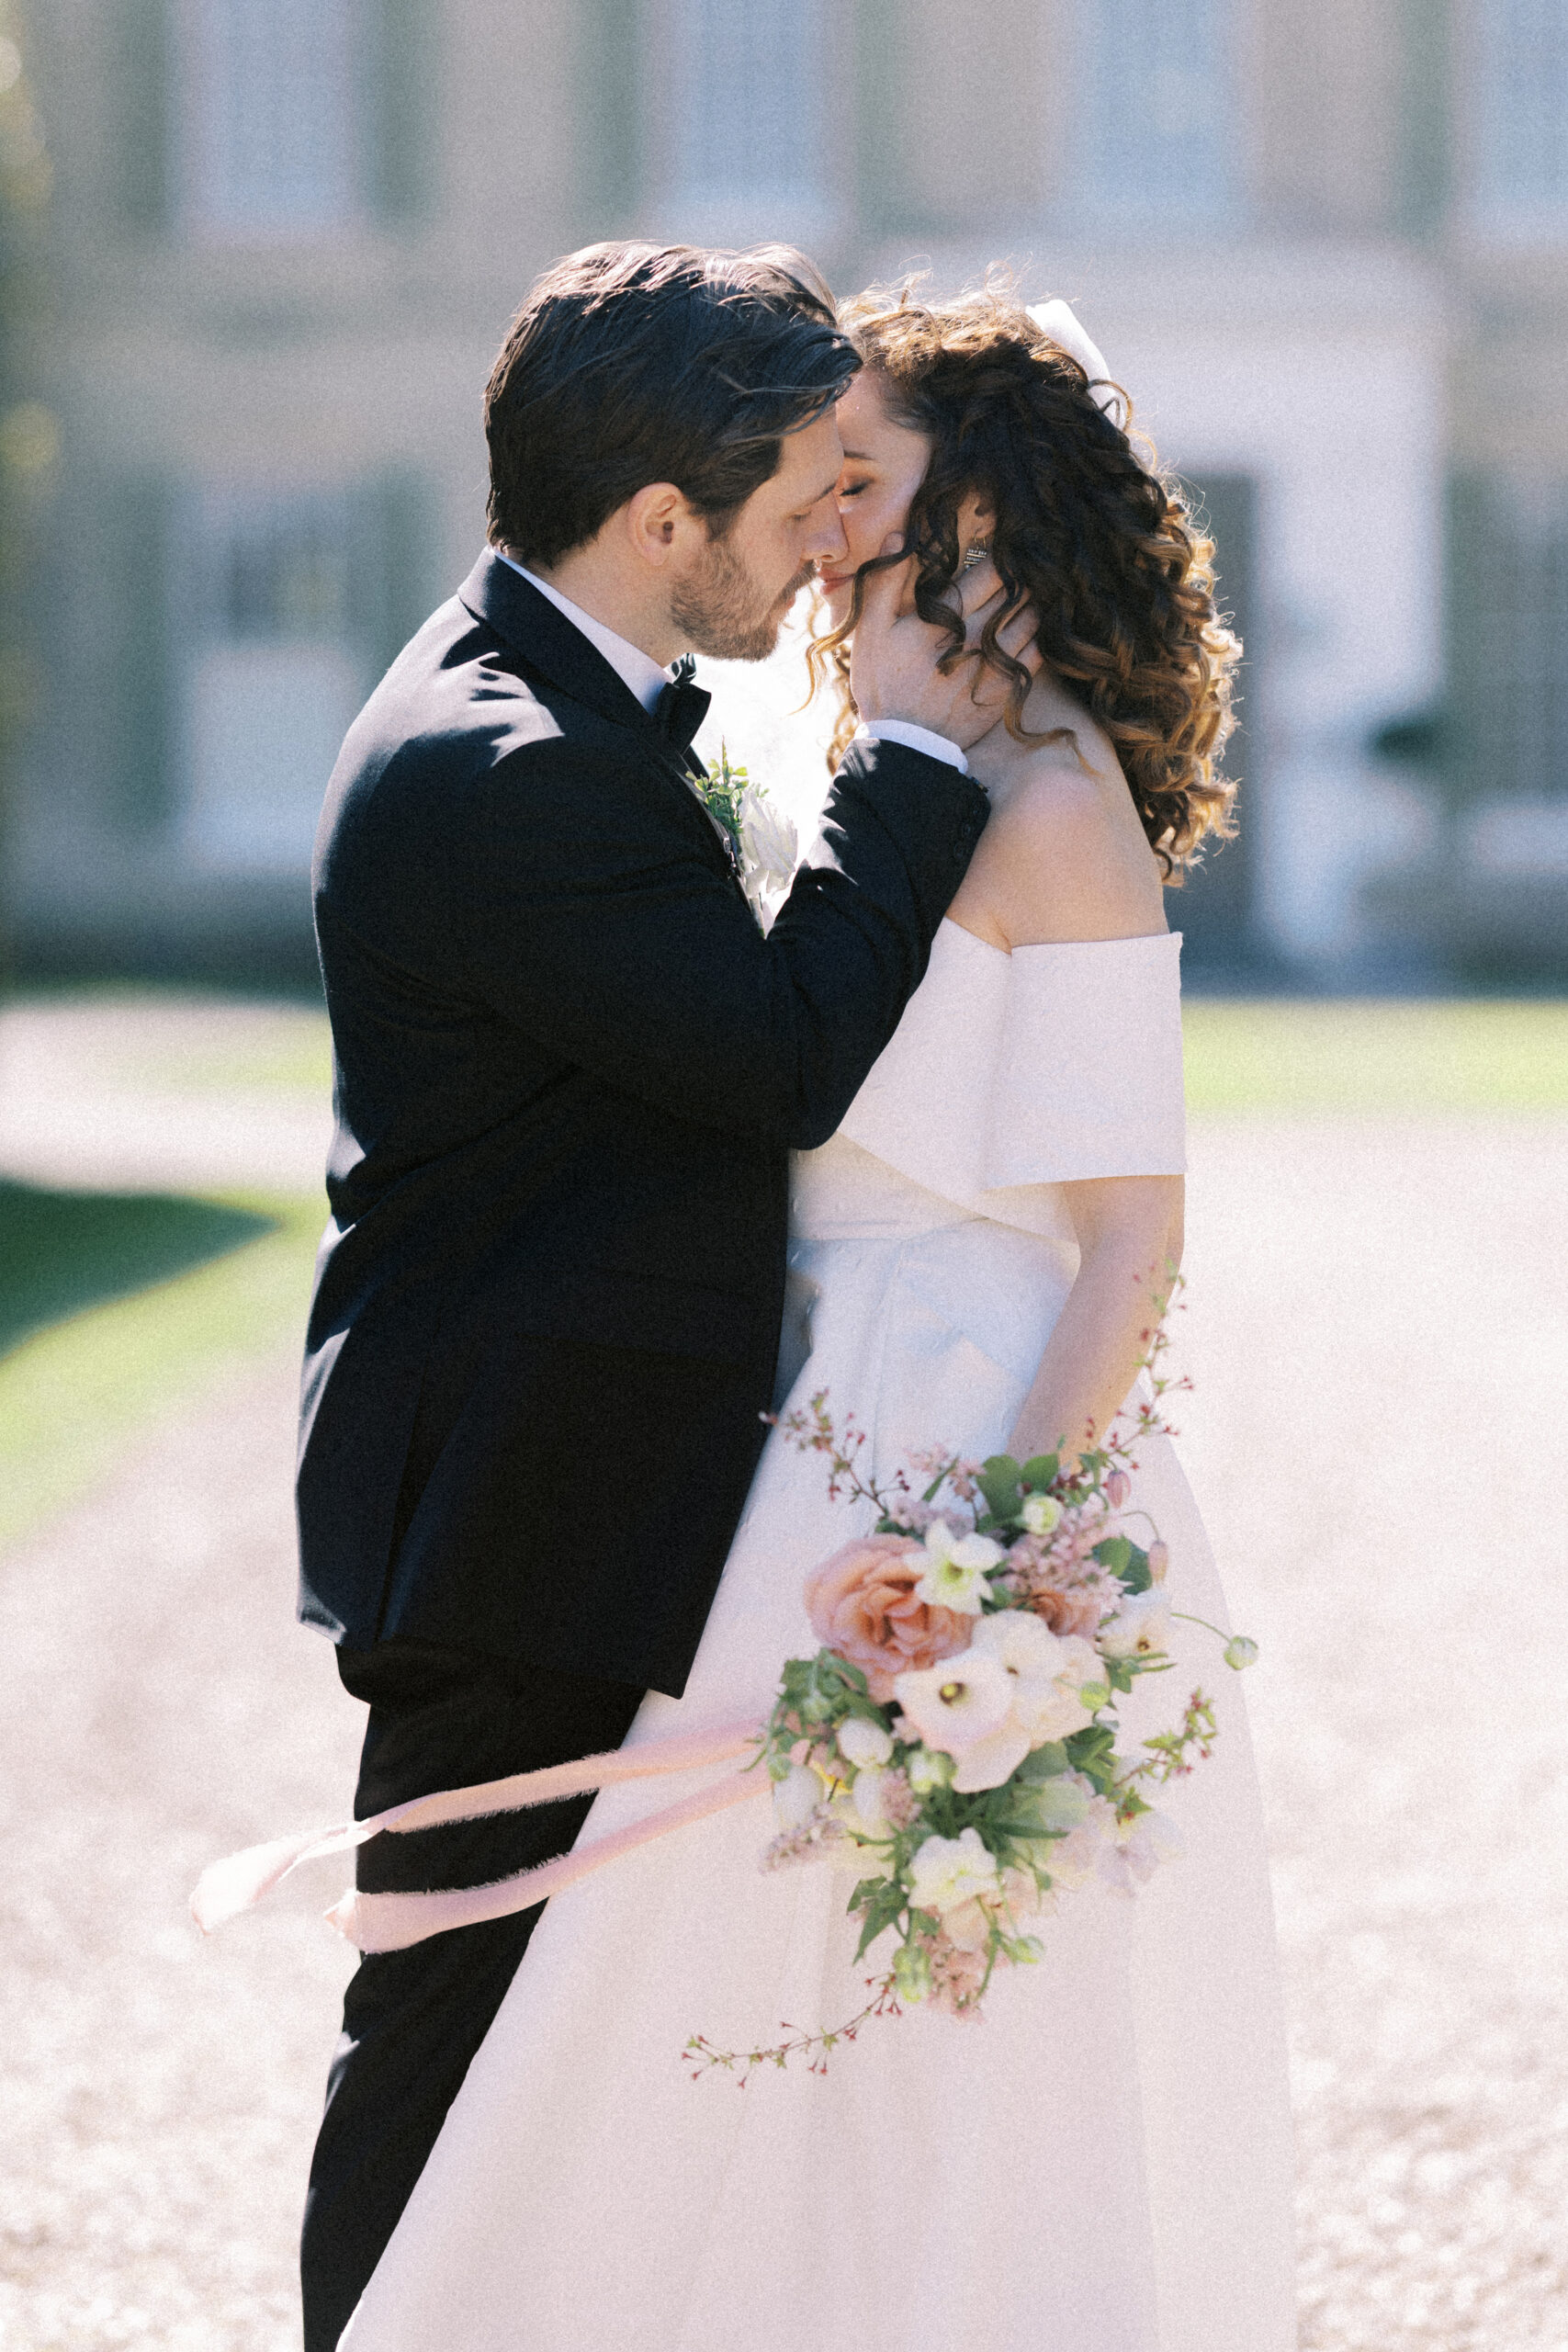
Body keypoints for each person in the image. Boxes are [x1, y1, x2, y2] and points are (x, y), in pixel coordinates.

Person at [332, 283, 1297, 2351]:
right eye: (814, 487)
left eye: (871, 486)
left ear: (987, 520)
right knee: (675, 1994)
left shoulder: (1049, 807)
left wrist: (1002, 1565)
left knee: (934, 2027)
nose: (835, 528)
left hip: (952, 1459)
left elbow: (1130, 1234)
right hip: (772, 1446)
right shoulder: (852, 771)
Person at [295, 243, 1032, 2351]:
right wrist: (906, 750)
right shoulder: (508, 761)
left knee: (530, 2047)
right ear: (657, 521)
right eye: (810, 490)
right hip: (520, 1512)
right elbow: (776, 1048)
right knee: (445, 2039)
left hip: (559, 1487)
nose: (842, 535)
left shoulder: (550, 701)